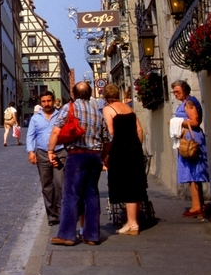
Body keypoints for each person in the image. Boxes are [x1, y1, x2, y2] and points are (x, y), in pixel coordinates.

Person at [48, 81, 111, 246]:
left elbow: (56, 131)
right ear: (90, 94)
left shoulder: (69, 108)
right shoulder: (98, 112)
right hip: (94, 156)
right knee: (91, 195)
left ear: (73, 94)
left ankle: (67, 235)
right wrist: (102, 156)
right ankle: (92, 236)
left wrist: (50, 151)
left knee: (71, 194)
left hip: (76, 155)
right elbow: (108, 140)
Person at [101, 83, 147, 235]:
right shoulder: (129, 108)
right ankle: (132, 221)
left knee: (127, 185)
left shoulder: (108, 109)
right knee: (136, 184)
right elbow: (139, 130)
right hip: (135, 149)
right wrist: (137, 146)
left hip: (120, 151)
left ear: (105, 97)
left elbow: (110, 132)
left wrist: (107, 154)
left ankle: (132, 224)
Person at [26, 90, 66, 225]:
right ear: (40, 103)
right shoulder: (35, 118)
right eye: (43, 101)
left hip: (59, 152)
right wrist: (31, 151)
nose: (46, 104)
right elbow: (30, 136)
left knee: (60, 183)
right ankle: (52, 215)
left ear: (53, 101)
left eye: (49, 101)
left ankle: (62, 213)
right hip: (42, 154)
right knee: (47, 185)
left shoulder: (60, 115)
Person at [171, 79, 209, 218]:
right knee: (194, 172)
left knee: (192, 173)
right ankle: (199, 204)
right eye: (174, 92)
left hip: (191, 139)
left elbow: (195, 121)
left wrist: (177, 122)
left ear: (185, 90)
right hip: (190, 137)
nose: (175, 94)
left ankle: (196, 206)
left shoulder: (189, 103)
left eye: (177, 91)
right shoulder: (187, 102)